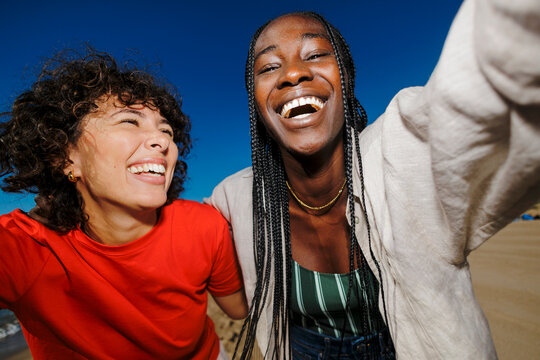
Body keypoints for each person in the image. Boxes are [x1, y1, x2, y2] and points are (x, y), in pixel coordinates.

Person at [207, 0, 540, 358]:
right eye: (270, 66)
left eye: (316, 55)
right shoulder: (236, 199)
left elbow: (499, 78)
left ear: (346, 77)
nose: (292, 73)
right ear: (255, 101)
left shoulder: (402, 151)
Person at [0, 49, 248, 359]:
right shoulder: (24, 248)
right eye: (130, 121)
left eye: (166, 130)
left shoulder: (204, 225)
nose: (162, 141)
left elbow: (238, 309)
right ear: (65, 158)